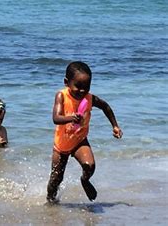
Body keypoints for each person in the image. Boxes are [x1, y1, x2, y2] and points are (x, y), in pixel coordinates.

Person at [46, 61, 123, 203]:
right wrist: (70, 118)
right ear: (66, 82)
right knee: (56, 178)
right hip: (61, 144)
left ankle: (85, 181)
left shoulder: (89, 98)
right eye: (78, 86)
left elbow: (105, 107)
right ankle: (50, 202)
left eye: (86, 87)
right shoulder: (61, 96)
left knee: (90, 166)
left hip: (79, 141)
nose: (82, 91)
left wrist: (115, 126)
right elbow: (56, 118)